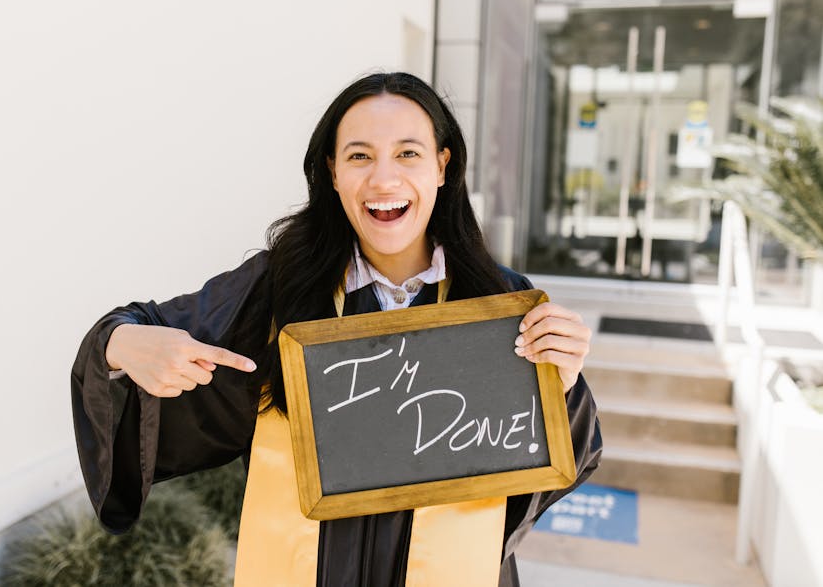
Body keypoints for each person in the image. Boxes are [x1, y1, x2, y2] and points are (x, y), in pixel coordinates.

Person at [72, 72, 601, 586]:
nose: (384, 179)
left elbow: (548, 466)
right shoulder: (280, 288)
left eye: (408, 154)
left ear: (443, 165)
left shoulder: (497, 304)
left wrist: (565, 384)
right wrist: (121, 346)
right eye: (360, 156)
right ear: (331, 171)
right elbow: (140, 327)